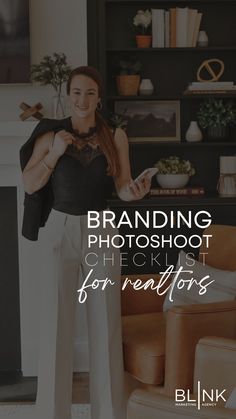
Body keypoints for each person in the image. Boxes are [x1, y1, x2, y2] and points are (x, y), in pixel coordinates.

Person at [20, 66, 151, 419]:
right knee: (56, 327)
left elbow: (122, 186)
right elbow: (30, 184)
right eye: (77, 92)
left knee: (105, 324)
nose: (83, 100)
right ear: (68, 94)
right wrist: (54, 154)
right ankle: (52, 413)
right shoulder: (50, 135)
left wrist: (134, 192)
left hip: (102, 228)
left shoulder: (115, 136)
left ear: (98, 97)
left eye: (90, 93)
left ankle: (109, 413)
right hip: (59, 228)